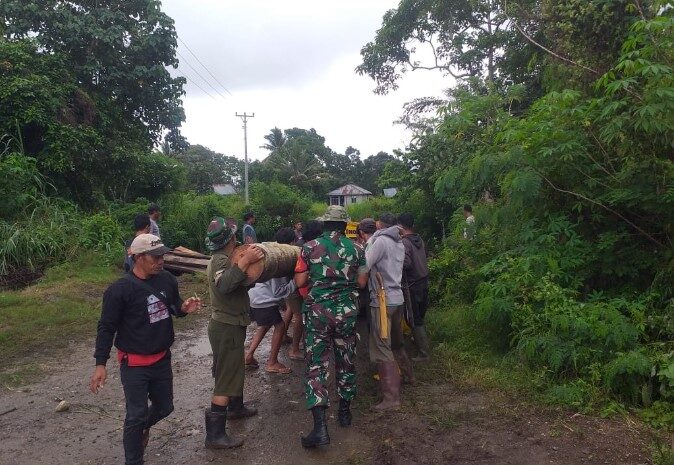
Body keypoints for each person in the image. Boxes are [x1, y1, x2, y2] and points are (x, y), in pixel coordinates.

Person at [90, 234, 201, 465]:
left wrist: (183, 308)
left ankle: (142, 428)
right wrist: (101, 363)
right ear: (138, 257)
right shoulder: (119, 290)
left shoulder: (167, 279)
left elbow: (173, 307)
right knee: (135, 415)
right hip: (134, 364)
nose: (161, 260)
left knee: (165, 407)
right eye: (155, 256)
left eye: (163, 255)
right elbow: (106, 327)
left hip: (161, 359)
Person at [294, 206, 368, 448]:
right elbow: (362, 281)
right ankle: (345, 414)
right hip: (347, 313)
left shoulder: (308, 248)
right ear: (345, 224)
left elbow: (301, 281)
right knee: (346, 361)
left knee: (317, 365)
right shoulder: (358, 249)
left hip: (318, 314)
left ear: (325, 224)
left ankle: (320, 429)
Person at [204, 217, 265, 449]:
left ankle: (236, 407)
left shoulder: (226, 258)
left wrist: (249, 271)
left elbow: (239, 283)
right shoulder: (220, 260)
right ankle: (215, 435)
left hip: (231, 323)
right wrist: (246, 261)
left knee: (234, 367)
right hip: (225, 325)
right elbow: (225, 285)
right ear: (230, 238)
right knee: (226, 376)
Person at [363, 213, 414, 409]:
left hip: (382, 301)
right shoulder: (398, 242)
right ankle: (410, 377)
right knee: (397, 343)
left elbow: (365, 265)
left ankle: (391, 399)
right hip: (397, 299)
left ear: (379, 225)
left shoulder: (381, 241)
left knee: (382, 348)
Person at [245, 227, 297, 374]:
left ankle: (248, 356)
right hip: (264, 300)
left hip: (254, 296)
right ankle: (272, 363)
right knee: (280, 326)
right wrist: (295, 282)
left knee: (264, 326)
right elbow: (278, 291)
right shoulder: (282, 259)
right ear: (292, 242)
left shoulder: (270, 248)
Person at [289, 220, 324, 360]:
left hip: (294, 287)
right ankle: (295, 349)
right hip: (298, 287)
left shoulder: (302, 244)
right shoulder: (307, 247)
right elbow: (302, 277)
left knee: (296, 316)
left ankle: (299, 344)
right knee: (299, 318)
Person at [398, 213, 430, 362]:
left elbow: (407, 264)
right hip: (424, 282)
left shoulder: (405, 243)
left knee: (414, 318)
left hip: (413, 284)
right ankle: (419, 342)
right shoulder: (420, 239)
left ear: (401, 226)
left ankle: (423, 353)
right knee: (420, 317)